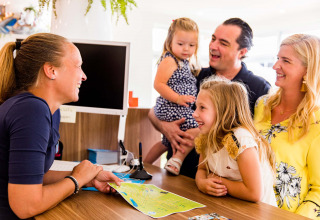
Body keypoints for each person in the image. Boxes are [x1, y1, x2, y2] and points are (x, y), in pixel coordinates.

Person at [0, 33, 122, 219]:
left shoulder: (48, 110)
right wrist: (76, 179)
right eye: (78, 66)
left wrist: (87, 177)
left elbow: (32, 175)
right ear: (51, 70)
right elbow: (25, 206)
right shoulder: (31, 110)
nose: (84, 76)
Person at [148, 18, 270, 178]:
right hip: (177, 177)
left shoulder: (259, 89)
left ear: (242, 52)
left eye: (223, 43)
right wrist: (165, 126)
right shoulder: (193, 75)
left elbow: (258, 140)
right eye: (213, 39)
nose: (213, 46)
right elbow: (153, 112)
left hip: (220, 186)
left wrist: (204, 132)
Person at [254, 34, 320, 218]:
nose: (276, 66)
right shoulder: (262, 105)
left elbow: (319, 191)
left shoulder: (317, 123)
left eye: (286, 61)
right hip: (246, 209)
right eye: (277, 58)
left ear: (307, 70)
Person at [194, 77, 276, 206]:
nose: (194, 113)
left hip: (259, 213)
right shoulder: (208, 135)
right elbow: (202, 169)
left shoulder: (240, 139)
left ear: (224, 112)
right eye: (196, 107)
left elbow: (254, 193)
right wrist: (202, 183)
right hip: (233, 206)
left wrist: (219, 181)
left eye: (202, 108)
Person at [144, 17, 200, 175]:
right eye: (180, 44)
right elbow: (158, 84)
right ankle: (177, 159)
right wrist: (178, 98)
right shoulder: (170, 60)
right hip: (171, 106)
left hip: (176, 106)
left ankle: (144, 165)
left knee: (165, 142)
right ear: (170, 42)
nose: (186, 49)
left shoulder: (184, 61)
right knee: (196, 126)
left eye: (191, 45)